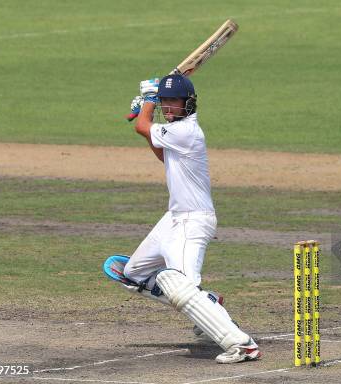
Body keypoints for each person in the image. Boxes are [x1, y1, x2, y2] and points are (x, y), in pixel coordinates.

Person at [117, 74, 261, 364]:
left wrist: (147, 100)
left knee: (179, 284)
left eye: (174, 101)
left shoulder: (187, 132)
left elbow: (142, 126)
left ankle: (241, 345)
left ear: (188, 103)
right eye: (165, 101)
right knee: (133, 275)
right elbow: (160, 152)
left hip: (193, 221)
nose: (169, 107)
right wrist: (149, 104)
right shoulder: (175, 133)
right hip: (173, 217)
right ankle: (206, 303)